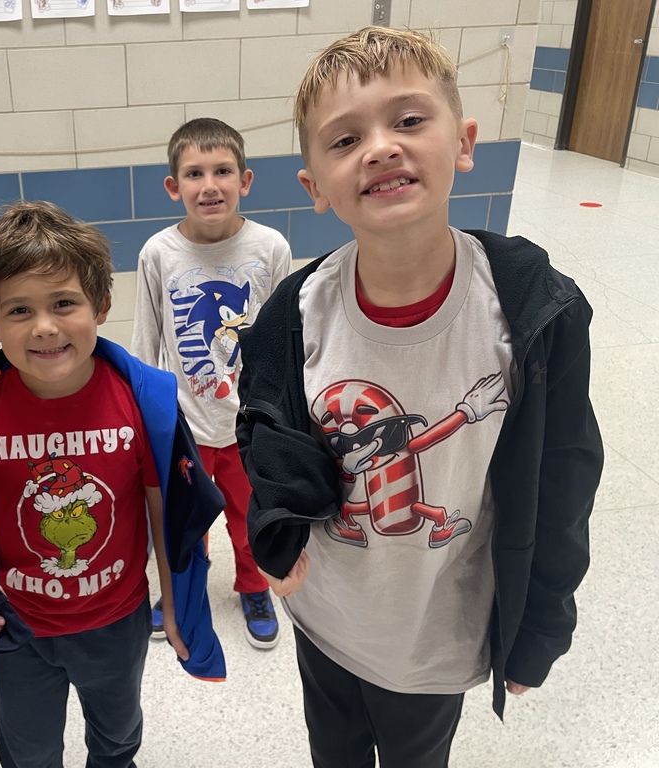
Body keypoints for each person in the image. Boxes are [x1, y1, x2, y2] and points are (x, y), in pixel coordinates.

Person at [236, 27, 604, 768]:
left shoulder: (533, 311)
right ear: (314, 188)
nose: (379, 147)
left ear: (464, 143)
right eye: (344, 141)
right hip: (326, 618)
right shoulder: (293, 314)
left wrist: (542, 625)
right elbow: (265, 439)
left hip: (436, 637)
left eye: (408, 120)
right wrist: (272, 532)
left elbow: (565, 479)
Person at [0, 200, 226, 768]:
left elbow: (161, 514)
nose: (44, 327)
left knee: (118, 738)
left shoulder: (138, 402)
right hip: (19, 625)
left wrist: (171, 608)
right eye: (19, 310)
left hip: (116, 620)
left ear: (100, 306)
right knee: (27, 751)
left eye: (64, 303)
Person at [131, 117, 292, 650]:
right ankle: (181, 592)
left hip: (248, 424)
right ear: (174, 187)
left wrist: (282, 414)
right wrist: (142, 418)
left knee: (249, 519)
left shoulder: (269, 248)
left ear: (244, 180)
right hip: (185, 424)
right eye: (194, 173)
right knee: (186, 520)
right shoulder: (158, 253)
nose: (209, 185)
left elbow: (283, 338)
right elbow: (146, 341)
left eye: (222, 170)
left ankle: (253, 586)